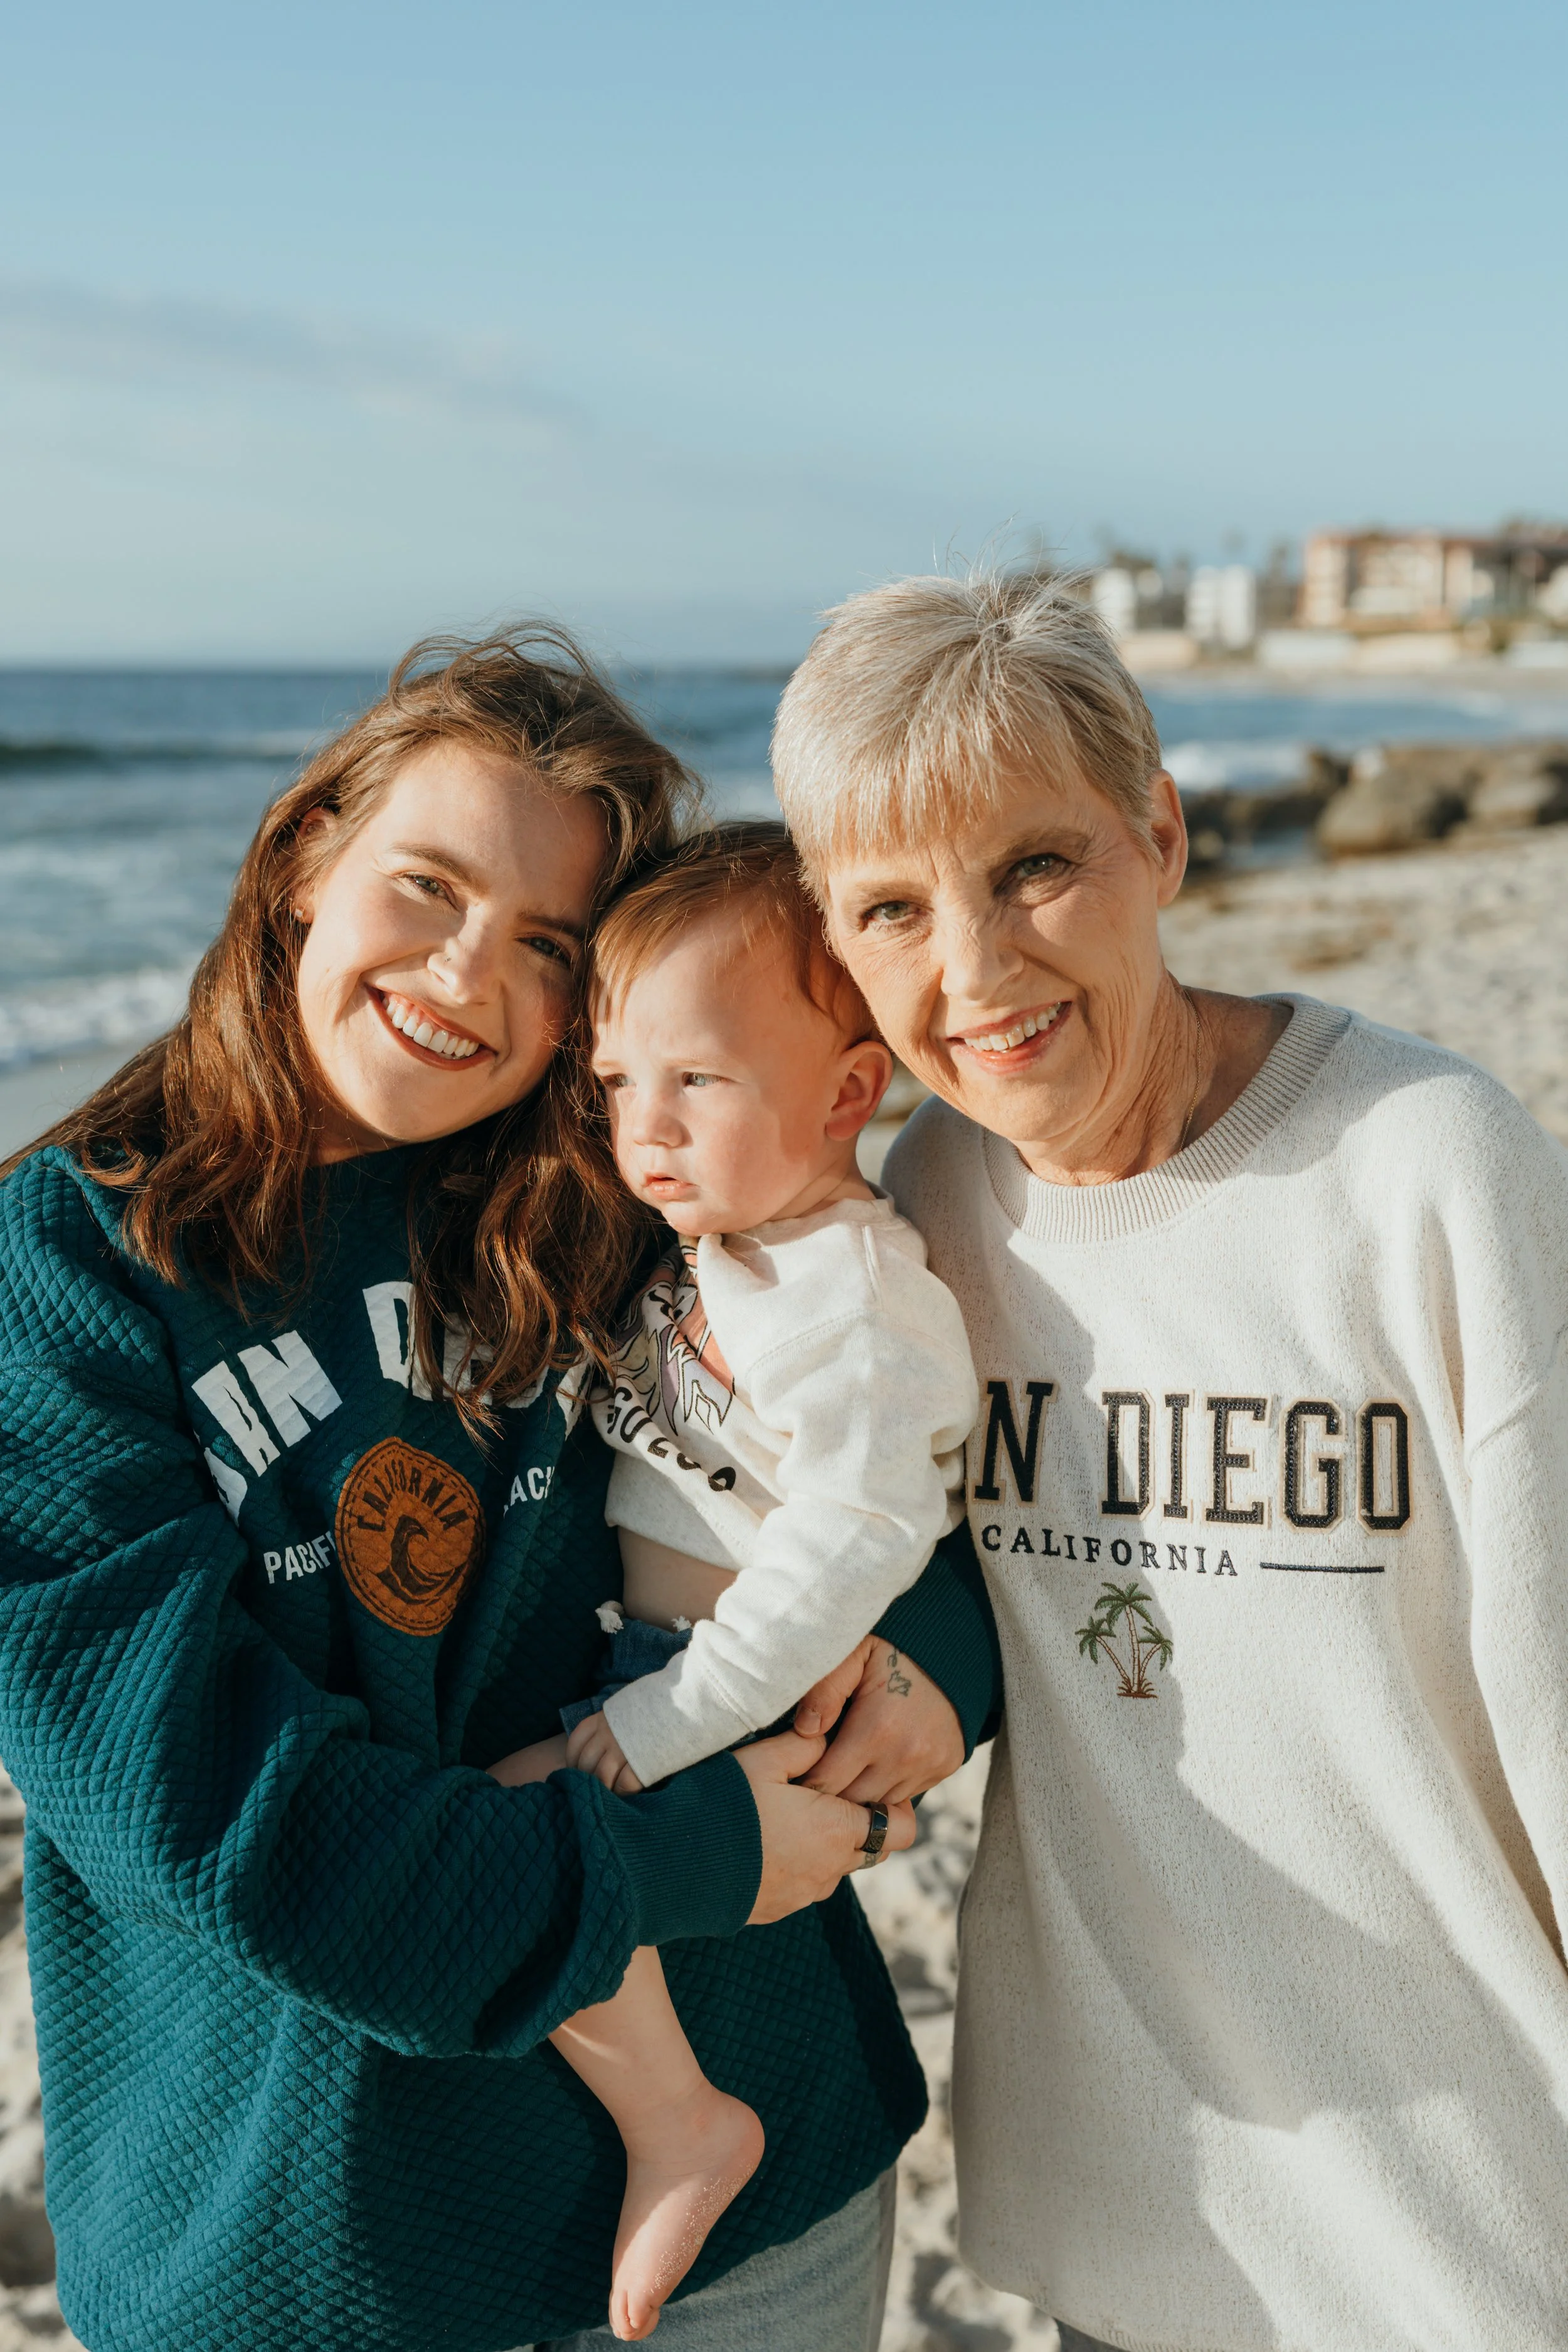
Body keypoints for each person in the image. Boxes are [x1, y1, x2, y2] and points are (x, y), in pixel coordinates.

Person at [0, 628, 996, 2352]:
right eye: (428, 883)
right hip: (320, 2233)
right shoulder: (70, 1262)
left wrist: (937, 1673)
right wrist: (668, 1851)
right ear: (306, 848)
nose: (469, 974)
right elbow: (198, 1806)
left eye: (545, 945)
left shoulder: (619, 1174)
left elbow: (895, 1448)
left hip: (762, 2184)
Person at [771, 569, 1568, 2352]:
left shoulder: (1425, 1168)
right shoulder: (927, 1213)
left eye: (1031, 867)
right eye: (890, 907)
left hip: (1481, 2240)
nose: (971, 971)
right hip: (1135, 2234)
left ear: (1160, 833)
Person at [495, 824, 978, 2341]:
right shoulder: (727, 1241)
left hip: (726, 1692)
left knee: (517, 1831)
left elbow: (859, 1534)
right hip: (666, 1663)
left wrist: (675, 1716)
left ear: (849, 1093)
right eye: (616, 1083)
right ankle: (675, 2119)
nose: (644, 1128)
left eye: (694, 1081)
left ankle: (682, 2126)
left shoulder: (849, 1295)